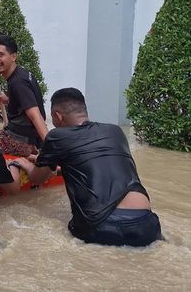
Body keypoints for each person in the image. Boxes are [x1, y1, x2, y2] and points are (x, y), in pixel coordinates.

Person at [15, 88, 163, 247]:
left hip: (104, 227)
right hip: (148, 225)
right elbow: (95, 169)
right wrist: (55, 168)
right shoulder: (115, 131)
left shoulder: (57, 136)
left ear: (58, 116)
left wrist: (26, 165)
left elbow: (37, 178)